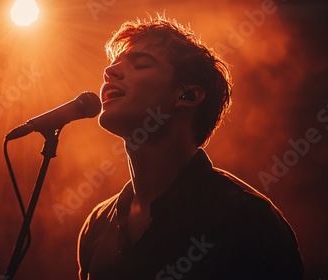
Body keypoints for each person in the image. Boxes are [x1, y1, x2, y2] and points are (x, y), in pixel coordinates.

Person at [77, 14, 304, 280]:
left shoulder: (247, 219)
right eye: (113, 65)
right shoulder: (97, 224)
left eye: (140, 65)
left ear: (188, 96)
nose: (110, 72)